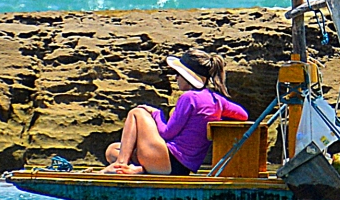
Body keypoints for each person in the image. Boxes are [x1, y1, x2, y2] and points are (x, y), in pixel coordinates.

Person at [104, 49, 247, 175]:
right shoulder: (217, 100)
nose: (176, 78)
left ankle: (120, 165)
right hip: (180, 167)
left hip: (170, 161)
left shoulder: (189, 97)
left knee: (137, 112)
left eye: (178, 74)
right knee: (113, 150)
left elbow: (166, 133)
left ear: (188, 76)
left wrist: (156, 114)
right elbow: (243, 115)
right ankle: (139, 170)